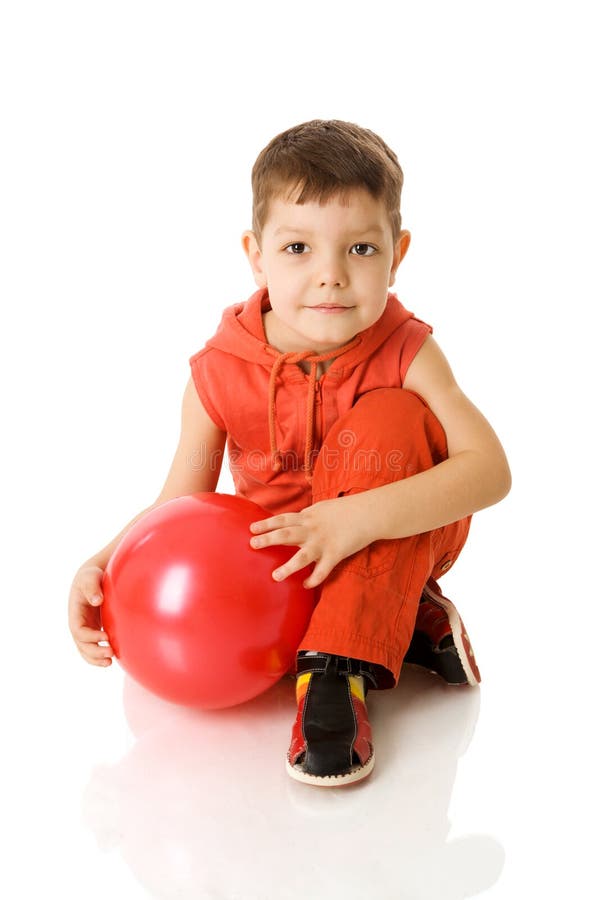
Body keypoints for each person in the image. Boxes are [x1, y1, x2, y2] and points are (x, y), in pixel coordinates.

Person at [69, 119, 511, 787]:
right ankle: (402, 622)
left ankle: (334, 676)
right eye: (299, 247)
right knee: (281, 558)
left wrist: (356, 520)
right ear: (256, 255)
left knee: (392, 416)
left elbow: (490, 470)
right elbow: (178, 506)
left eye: (361, 249)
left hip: (398, 533)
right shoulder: (218, 370)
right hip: (281, 576)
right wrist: (105, 565)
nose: (330, 277)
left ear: (399, 253)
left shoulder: (406, 349)